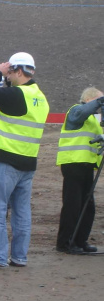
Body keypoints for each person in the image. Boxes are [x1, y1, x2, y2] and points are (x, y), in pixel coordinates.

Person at [0, 52, 49, 268]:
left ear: (17, 71)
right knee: (22, 213)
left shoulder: (18, 95)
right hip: (27, 163)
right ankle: (19, 256)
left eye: (10, 72)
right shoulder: (40, 97)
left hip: (6, 162)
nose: (7, 77)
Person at [55, 87, 104, 254]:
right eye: (98, 100)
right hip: (73, 163)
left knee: (87, 205)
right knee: (72, 205)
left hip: (87, 165)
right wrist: (100, 102)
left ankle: (80, 240)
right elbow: (82, 112)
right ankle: (65, 242)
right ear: (90, 99)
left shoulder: (92, 120)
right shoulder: (76, 111)